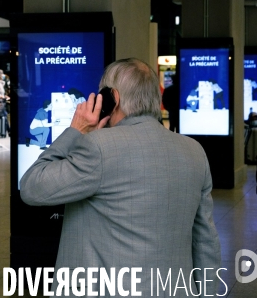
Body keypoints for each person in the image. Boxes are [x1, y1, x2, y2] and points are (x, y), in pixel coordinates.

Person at [20, 58, 221, 295]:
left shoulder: (97, 147)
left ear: (111, 98)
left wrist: (75, 130)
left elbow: (32, 186)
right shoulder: (194, 151)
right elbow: (205, 241)